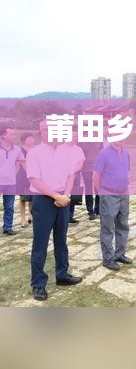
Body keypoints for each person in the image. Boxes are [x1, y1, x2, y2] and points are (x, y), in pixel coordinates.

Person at [27, 121, 82, 301]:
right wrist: (55, 196)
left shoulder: (66, 152)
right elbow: (34, 180)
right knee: (40, 243)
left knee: (61, 240)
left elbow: (71, 175)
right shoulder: (34, 153)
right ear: (41, 132)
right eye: (47, 129)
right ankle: (38, 284)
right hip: (43, 200)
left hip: (63, 199)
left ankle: (62, 275)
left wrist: (66, 195)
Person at [93, 139, 132, 271]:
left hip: (124, 194)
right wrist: (101, 192)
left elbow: (126, 173)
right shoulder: (104, 154)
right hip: (109, 194)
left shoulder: (126, 154)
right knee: (108, 228)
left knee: (123, 225)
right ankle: (108, 259)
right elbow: (96, 176)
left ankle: (120, 254)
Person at [0, 126, 25, 236]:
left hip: (10, 182)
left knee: (9, 206)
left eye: (14, 134)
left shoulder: (17, 149)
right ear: (3, 135)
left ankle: (8, 228)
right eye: (11, 134)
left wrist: (13, 173)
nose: (14, 136)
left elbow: (21, 162)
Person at [78, 136, 103, 220]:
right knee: (88, 189)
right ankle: (90, 211)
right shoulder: (81, 142)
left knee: (98, 188)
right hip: (86, 169)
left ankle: (98, 209)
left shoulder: (99, 140)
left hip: (97, 168)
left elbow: (102, 153)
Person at [65, 129, 86, 224]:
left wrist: (73, 172)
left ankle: (70, 216)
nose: (75, 138)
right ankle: (63, 215)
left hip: (75, 174)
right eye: (73, 136)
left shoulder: (78, 149)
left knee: (73, 195)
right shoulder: (60, 149)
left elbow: (81, 163)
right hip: (63, 175)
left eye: (76, 136)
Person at [16, 132, 35, 228]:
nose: (31, 140)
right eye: (28, 138)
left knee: (32, 196)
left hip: (34, 175)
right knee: (23, 198)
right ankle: (23, 218)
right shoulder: (20, 150)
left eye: (32, 138)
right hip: (23, 175)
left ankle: (30, 214)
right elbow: (23, 163)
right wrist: (29, 174)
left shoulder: (36, 149)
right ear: (23, 140)